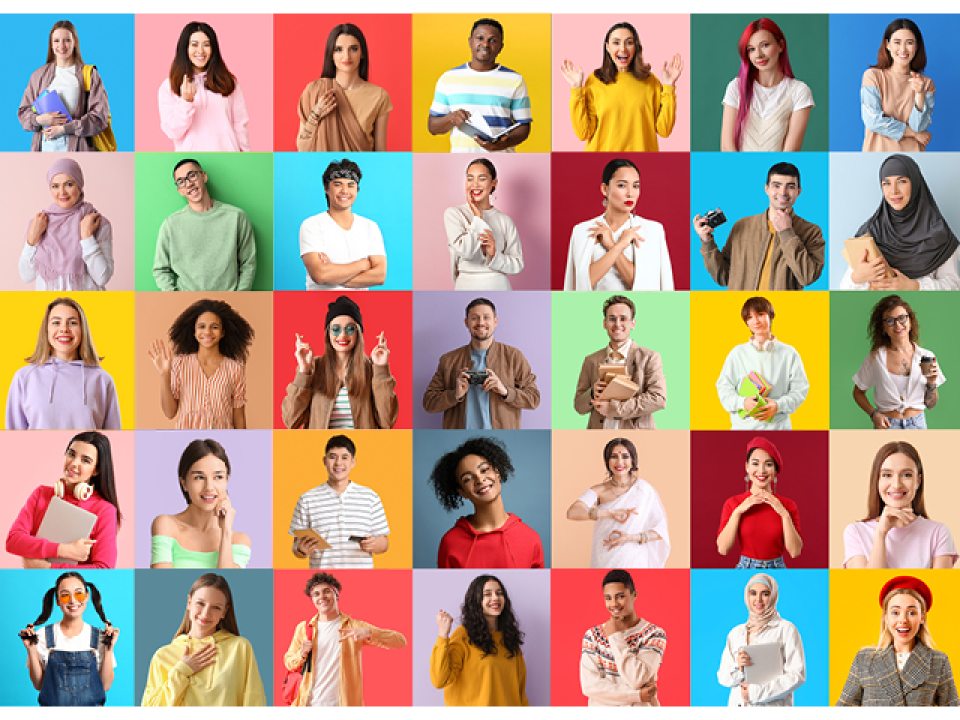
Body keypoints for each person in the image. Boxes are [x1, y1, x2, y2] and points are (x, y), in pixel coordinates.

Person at [694, 162, 824, 290]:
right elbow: (723, 277)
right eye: (776, 185)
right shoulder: (742, 226)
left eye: (790, 186)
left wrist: (787, 232)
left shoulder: (811, 231)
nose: (783, 192)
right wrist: (707, 242)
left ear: (798, 191)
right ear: (766, 189)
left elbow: (807, 277)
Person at [282, 572, 406, 706]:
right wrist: (301, 654)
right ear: (312, 599)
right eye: (316, 594)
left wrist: (370, 633)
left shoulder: (354, 626)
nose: (322, 597)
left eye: (327, 591)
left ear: (336, 594)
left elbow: (400, 641)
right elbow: (288, 662)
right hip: (308, 704)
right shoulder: (304, 628)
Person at [141, 573, 266, 706]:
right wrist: (182, 671)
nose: (206, 614)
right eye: (200, 603)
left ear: (224, 612)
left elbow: (255, 702)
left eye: (216, 607)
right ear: (189, 603)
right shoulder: (162, 656)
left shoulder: (240, 648)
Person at [841, 154, 959, 291]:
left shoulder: (938, 233)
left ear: (915, 183)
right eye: (886, 183)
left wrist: (915, 286)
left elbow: (954, 286)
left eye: (902, 181)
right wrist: (857, 278)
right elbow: (844, 289)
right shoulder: (871, 231)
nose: (894, 191)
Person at [837, 576, 959, 706]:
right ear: (886, 617)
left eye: (912, 613)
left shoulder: (938, 661)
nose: (903, 620)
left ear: (922, 617)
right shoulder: (864, 659)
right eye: (895, 612)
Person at [560, 21, 681, 152]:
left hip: (641, 160)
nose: (623, 49)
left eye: (629, 42)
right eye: (616, 42)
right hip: (602, 160)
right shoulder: (594, 81)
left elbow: (664, 130)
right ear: (607, 47)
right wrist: (576, 89)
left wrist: (669, 86)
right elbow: (583, 133)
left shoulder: (651, 82)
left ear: (636, 47)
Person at [6, 432, 120, 569]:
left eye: (85, 460)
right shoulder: (41, 494)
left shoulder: (104, 510)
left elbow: (104, 568)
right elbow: (13, 540)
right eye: (71, 454)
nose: (74, 463)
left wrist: (47, 567)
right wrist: (65, 550)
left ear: (96, 470)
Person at [282, 295, 397, 429]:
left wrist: (381, 368)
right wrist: (303, 372)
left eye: (350, 329)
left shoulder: (371, 370)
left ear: (358, 333)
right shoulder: (313, 368)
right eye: (336, 329)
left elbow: (387, 421)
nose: (342, 335)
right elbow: (290, 420)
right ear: (328, 333)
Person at [423, 297, 539, 429]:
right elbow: (429, 402)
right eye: (474, 318)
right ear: (466, 322)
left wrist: (505, 391)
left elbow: (534, 398)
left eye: (486, 317)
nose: (481, 322)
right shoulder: (448, 360)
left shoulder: (513, 357)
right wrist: (455, 394)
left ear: (495, 322)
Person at [6, 297, 121, 430]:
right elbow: (12, 435)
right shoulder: (24, 377)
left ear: (82, 330)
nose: (64, 329)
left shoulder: (102, 379)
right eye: (56, 322)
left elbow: (114, 436)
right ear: (46, 330)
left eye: (72, 323)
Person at [429, 437, 543, 569]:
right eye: (467, 479)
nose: (479, 479)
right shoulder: (451, 542)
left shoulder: (530, 538)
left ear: (497, 472)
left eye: (484, 470)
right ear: (462, 492)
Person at [564, 158, 674, 290]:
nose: (630, 193)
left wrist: (610, 244)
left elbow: (644, 285)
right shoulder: (582, 231)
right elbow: (582, 284)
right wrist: (620, 245)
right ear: (605, 189)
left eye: (635, 186)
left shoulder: (653, 230)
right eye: (622, 185)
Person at [843, 441, 957, 569]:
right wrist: (880, 534)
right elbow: (867, 582)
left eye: (907, 475)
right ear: (877, 480)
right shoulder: (856, 532)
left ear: (918, 481)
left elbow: (940, 582)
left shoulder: (939, 532)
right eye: (887, 475)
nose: (896, 485)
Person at [428, 18, 532, 153]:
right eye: (480, 38)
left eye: (492, 40)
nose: (485, 44)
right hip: (461, 159)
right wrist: (451, 118)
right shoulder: (448, 78)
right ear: (470, 41)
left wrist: (502, 144)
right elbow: (433, 127)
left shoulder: (515, 80)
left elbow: (524, 126)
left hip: (503, 158)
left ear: (501, 47)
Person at [147, 299, 253, 430]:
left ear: (223, 332)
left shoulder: (235, 368)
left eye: (214, 327)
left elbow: (239, 417)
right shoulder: (180, 364)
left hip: (222, 438)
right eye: (201, 326)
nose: (207, 332)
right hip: (187, 438)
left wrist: (243, 441)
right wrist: (164, 375)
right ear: (194, 331)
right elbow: (169, 413)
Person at [153, 158, 257, 291]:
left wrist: (239, 297)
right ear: (180, 190)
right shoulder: (170, 225)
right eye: (181, 181)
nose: (189, 184)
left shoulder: (236, 217)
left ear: (204, 176)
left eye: (192, 175)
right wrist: (176, 298)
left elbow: (248, 263)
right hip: (187, 300)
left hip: (228, 299)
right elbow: (160, 270)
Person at [566, 438, 670, 568]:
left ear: (633, 460)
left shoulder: (644, 490)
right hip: (604, 557)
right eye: (614, 457)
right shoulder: (600, 490)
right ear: (607, 461)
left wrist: (629, 537)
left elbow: (660, 531)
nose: (619, 462)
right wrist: (609, 513)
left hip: (634, 559)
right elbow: (572, 512)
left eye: (625, 457)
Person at [288, 434, 390, 569]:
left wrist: (375, 544)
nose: (338, 463)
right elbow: (296, 547)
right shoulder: (307, 499)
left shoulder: (371, 497)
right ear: (324, 461)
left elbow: (384, 543)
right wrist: (301, 550)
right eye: (332, 457)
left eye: (344, 457)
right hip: (323, 578)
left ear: (353, 462)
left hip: (362, 578)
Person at [150, 439, 252, 569]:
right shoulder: (166, 525)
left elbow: (229, 581)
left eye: (218, 477)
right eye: (199, 477)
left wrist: (226, 532)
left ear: (227, 480)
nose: (209, 487)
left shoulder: (239, 541)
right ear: (184, 483)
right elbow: (160, 581)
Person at [20, 572, 119, 706]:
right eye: (65, 595)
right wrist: (31, 649)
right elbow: (38, 684)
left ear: (87, 596)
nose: (73, 601)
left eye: (79, 594)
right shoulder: (42, 636)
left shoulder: (101, 637)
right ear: (58, 601)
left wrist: (109, 648)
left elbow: (106, 686)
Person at [432, 575, 528, 705]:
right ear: (476, 601)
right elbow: (439, 680)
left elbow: (520, 692)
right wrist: (443, 634)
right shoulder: (463, 636)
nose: (495, 597)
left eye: (499, 593)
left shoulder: (510, 639)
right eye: (487, 594)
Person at [574, 294, 666, 429]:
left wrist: (614, 409)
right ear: (604, 323)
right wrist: (592, 393)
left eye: (623, 319)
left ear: (632, 323)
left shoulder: (649, 357)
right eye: (612, 319)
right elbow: (578, 406)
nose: (617, 324)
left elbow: (658, 399)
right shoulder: (591, 360)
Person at [716, 296, 809, 430]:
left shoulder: (789, 353)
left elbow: (800, 390)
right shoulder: (737, 353)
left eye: (760, 314)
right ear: (746, 323)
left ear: (770, 316)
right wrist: (742, 402)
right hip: (742, 429)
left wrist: (778, 405)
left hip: (779, 429)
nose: (756, 321)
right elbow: (723, 388)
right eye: (750, 317)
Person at [720, 18, 813, 152]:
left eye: (765, 45)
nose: (758, 54)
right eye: (751, 49)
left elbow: (790, 153)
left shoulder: (799, 91)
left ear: (781, 45)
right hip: (738, 165)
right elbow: (726, 147)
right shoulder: (736, 87)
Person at [20, 158, 113, 291]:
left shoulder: (96, 222)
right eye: (55, 186)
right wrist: (31, 240)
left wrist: (87, 237)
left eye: (69, 184)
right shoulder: (39, 223)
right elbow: (26, 276)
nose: (62, 192)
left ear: (79, 185)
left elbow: (102, 278)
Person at [852, 295, 944, 430]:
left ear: (910, 321)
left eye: (902, 318)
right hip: (887, 425)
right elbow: (858, 392)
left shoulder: (927, 356)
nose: (897, 325)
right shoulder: (876, 358)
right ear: (883, 328)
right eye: (890, 321)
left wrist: (931, 383)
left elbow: (931, 404)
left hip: (917, 425)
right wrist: (873, 414)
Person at [297, 23, 392, 152]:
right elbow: (302, 148)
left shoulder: (379, 96)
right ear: (331, 55)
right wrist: (315, 114)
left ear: (362, 53)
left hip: (361, 165)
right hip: (322, 165)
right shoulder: (314, 91)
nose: (346, 56)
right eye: (338, 49)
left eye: (353, 49)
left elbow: (380, 153)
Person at [18, 20, 110, 152]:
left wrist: (64, 129)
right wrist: (40, 120)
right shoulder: (38, 76)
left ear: (75, 42)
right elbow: (23, 113)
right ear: (51, 44)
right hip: (44, 150)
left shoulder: (89, 75)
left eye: (67, 40)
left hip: (78, 150)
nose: (61, 46)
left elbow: (99, 118)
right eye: (56, 41)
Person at [158, 21, 249, 151]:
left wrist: (246, 156)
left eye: (206, 45)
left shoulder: (229, 82)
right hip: (193, 159)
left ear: (213, 49)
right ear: (185, 48)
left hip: (228, 157)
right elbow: (173, 132)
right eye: (194, 45)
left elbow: (240, 125)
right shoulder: (169, 86)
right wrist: (186, 101)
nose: (200, 51)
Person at [717, 573, 805, 706]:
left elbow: (797, 675)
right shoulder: (736, 633)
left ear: (773, 596)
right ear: (747, 596)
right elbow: (723, 678)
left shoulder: (786, 629)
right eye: (753, 593)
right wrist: (738, 667)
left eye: (765, 594)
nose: (758, 599)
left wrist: (754, 693)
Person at [580, 570, 666, 706]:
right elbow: (590, 687)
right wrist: (637, 695)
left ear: (634, 595)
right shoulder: (592, 636)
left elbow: (637, 678)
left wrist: (614, 636)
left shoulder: (653, 634)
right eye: (608, 598)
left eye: (620, 596)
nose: (614, 604)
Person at [299, 158, 386, 290]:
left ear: (357, 189)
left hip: (360, 302)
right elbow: (320, 275)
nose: (345, 191)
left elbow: (379, 276)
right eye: (338, 184)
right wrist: (363, 264)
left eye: (351, 185)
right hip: (320, 301)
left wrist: (333, 275)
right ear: (326, 188)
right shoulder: (312, 225)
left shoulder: (370, 227)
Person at [716, 437, 803, 569]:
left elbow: (795, 552)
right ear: (747, 467)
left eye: (768, 464)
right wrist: (738, 512)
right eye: (755, 463)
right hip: (745, 568)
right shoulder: (733, 503)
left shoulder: (788, 505)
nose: (761, 471)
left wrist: (784, 514)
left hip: (778, 568)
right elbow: (723, 549)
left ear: (775, 470)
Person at [443, 159, 524, 290]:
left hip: (498, 286)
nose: (475, 184)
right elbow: (465, 252)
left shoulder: (505, 220)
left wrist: (493, 254)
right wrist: (478, 217)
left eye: (482, 179)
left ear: (493, 183)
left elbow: (517, 264)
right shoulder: (454, 214)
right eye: (470, 178)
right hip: (464, 285)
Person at [861, 19, 934, 153]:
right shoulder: (873, 76)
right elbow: (873, 121)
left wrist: (919, 94)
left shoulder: (926, 84)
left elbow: (918, 127)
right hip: (877, 154)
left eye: (909, 43)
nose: (903, 49)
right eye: (897, 42)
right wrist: (913, 134)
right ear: (887, 45)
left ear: (917, 46)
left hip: (913, 156)